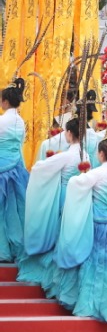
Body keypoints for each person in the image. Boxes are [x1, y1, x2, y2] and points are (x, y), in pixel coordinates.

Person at [54, 138, 107, 325]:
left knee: (93, 264)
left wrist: (80, 174)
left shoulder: (97, 173)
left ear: (101, 153)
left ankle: (89, 303)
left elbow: (76, 184)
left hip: (97, 224)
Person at [18, 117, 86, 295]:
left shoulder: (67, 154)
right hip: (79, 200)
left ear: (69, 133)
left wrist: (36, 166)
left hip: (64, 196)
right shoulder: (84, 155)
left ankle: (56, 275)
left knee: (59, 230)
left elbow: (41, 168)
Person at [0, 81, 28, 263]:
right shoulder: (21, 121)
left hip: (2, 167)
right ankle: (16, 246)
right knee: (16, 209)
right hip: (17, 167)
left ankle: (3, 249)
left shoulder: (2, 120)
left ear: (5, 101)